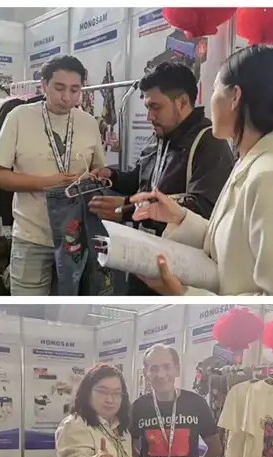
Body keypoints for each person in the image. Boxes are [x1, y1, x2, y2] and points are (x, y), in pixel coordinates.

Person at [129, 43, 273, 296]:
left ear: (235, 97)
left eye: (214, 90)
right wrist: (181, 218)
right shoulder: (251, 162)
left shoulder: (272, 178)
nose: (210, 101)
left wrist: (184, 294)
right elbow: (234, 246)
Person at [89, 61, 235, 295]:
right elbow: (140, 181)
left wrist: (128, 208)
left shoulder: (209, 142)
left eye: (155, 107)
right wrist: (112, 176)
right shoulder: (158, 137)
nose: (149, 116)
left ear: (183, 103)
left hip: (181, 269)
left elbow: (203, 205)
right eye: (147, 107)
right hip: (144, 256)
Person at [0, 55, 106, 295]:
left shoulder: (88, 122)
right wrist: (48, 183)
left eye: (75, 90)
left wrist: (97, 176)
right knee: (27, 307)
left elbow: (99, 169)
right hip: (32, 236)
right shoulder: (19, 117)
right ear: (43, 85)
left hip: (77, 236)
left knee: (71, 306)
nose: (67, 97)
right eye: (59, 88)